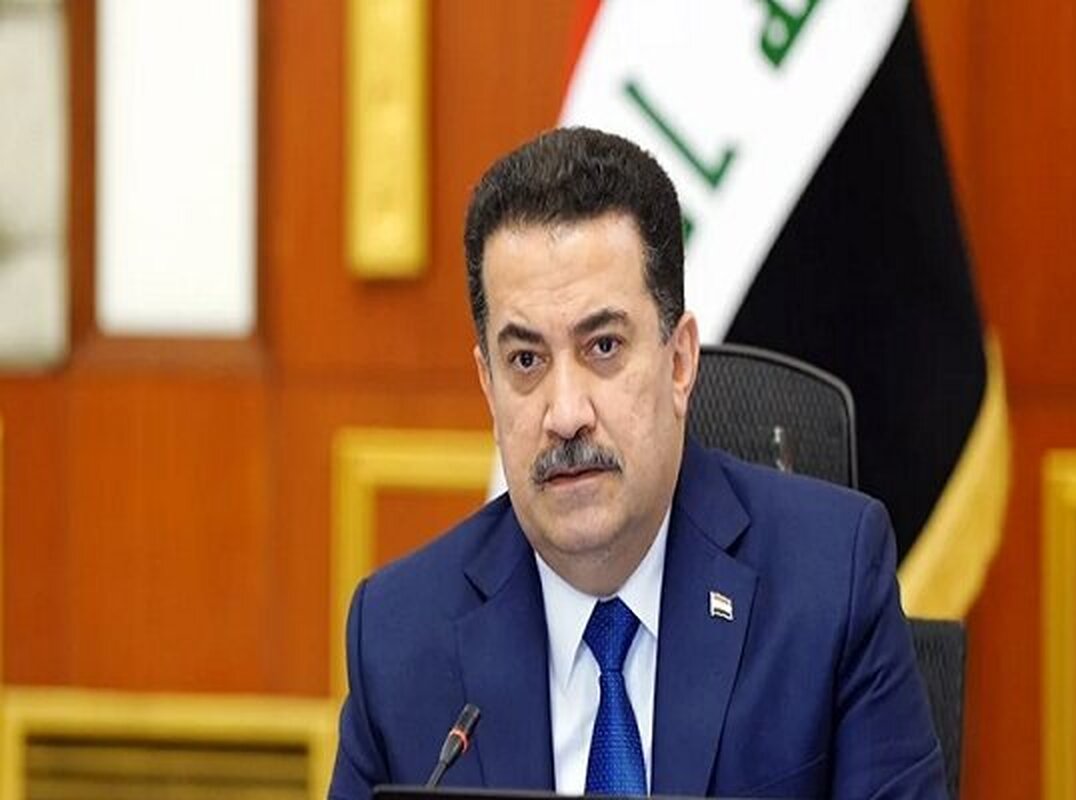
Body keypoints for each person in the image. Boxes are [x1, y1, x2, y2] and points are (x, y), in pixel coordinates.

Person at [329, 127, 946, 799]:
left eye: (603, 347)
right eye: (526, 360)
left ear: (679, 363)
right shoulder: (398, 638)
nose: (566, 413)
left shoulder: (829, 586)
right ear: (489, 386)